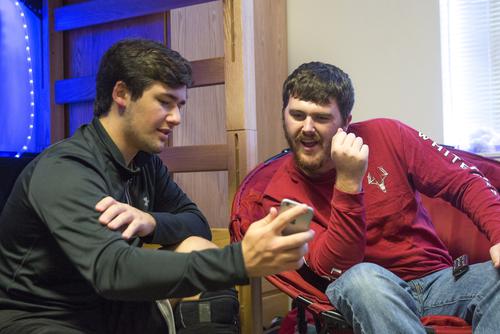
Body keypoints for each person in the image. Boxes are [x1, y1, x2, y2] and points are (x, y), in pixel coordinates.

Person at [0, 39, 314, 334]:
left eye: (180, 104)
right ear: (121, 94)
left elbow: (197, 225)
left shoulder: (144, 162)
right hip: (46, 318)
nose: (176, 118)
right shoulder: (66, 169)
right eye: (165, 102)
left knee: (196, 246)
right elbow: (113, 271)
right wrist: (241, 259)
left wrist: (150, 222)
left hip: (111, 312)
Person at [232, 61, 500, 333]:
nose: (308, 128)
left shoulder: (389, 134)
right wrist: (349, 182)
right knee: (362, 278)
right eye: (297, 115)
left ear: (346, 122)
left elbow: (465, 182)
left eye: (322, 118)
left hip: (438, 281)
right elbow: (334, 267)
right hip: (365, 289)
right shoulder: (278, 195)